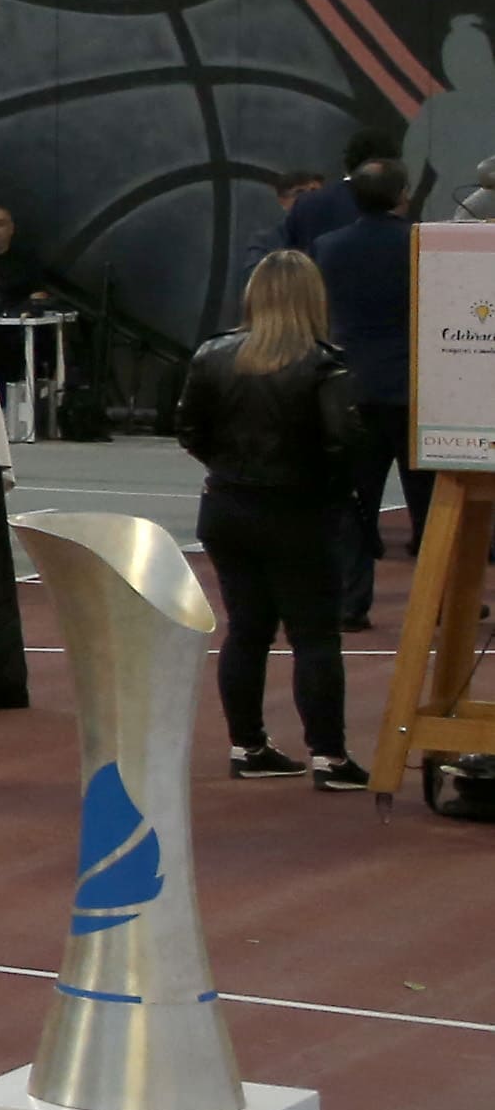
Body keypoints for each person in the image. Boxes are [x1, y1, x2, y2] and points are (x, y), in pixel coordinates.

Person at [181, 251, 371, 787]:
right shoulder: (324, 363)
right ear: (313, 298)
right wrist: (328, 493)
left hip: (226, 506)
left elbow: (189, 430)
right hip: (297, 510)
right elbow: (344, 442)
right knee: (313, 635)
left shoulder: (213, 354)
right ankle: (330, 758)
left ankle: (247, 745)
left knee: (246, 628)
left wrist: (228, 469)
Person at [313, 160, 418, 632]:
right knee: (431, 502)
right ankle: (442, 598)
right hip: (412, 386)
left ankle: (351, 604)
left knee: (355, 503)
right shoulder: (418, 245)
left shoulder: (328, 247)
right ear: (403, 195)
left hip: (353, 386)